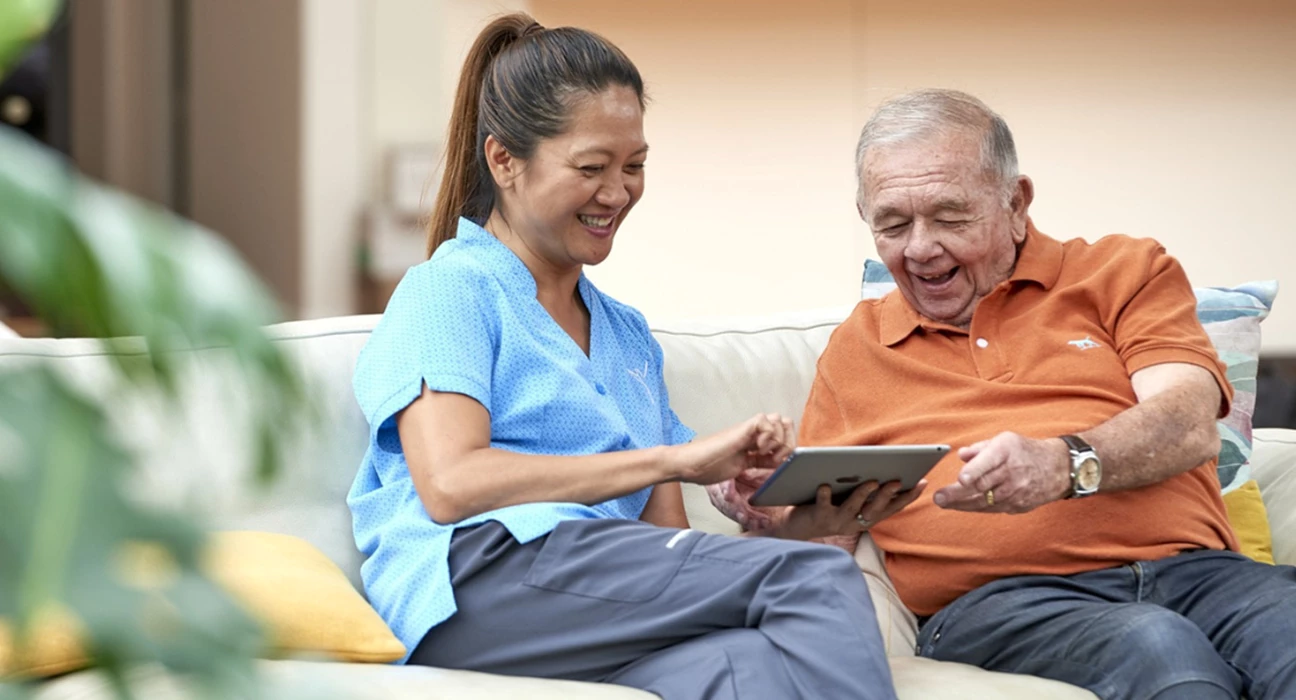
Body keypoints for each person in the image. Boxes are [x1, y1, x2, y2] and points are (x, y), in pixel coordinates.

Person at [712, 89, 1296, 699]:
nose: (919, 249)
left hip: (1198, 573)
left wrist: (1065, 462)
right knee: (1158, 646)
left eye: (948, 216)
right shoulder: (857, 349)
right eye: (892, 224)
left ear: (1017, 202)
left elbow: (1188, 420)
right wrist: (765, 516)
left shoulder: (1122, 272)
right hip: (1002, 603)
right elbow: (834, 528)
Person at [346, 14, 919, 700]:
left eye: (635, 166)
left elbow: (665, 544)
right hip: (478, 578)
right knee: (815, 581)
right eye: (591, 168)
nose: (617, 193)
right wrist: (677, 458)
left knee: (746, 666)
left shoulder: (625, 336)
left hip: (584, 603)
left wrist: (800, 524)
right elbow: (449, 484)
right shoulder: (450, 290)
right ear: (505, 161)